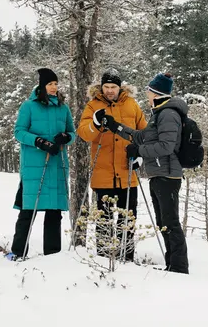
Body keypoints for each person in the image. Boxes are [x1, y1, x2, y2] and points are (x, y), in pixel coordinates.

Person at [100, 72, 190, 273]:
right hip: (159, 173)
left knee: (170, 222)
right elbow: (141, 136)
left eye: (149, 90)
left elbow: (166, 146)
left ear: (155, 92)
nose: (146, 93)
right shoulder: (159, 113)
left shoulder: (168, 114)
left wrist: (139, 151)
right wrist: (115, 127)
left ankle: (179, 267)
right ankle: (172, 264)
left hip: (168, 175)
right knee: (163, 221)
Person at [77, 69, 148, 261]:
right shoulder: (93, 106)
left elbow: (144, 133)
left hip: (128, 171)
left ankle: (127, 257)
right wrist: (96, 123)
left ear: (119, 87)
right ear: (101, 87)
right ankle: (104, 257)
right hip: (103, 173)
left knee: (128, 218)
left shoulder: (132, 105)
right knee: (104, 219)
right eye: (106, 87)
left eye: (113, 87)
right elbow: (84, 133)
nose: (109, 90)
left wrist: (140, 154)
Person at [7, 67, 75, 260]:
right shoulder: (29, 106)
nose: (54, 87)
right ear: (42, 86)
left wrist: (65, 137)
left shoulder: (63, 107)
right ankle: (18, 252)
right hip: (34, 165)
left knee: (54, 213)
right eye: (50, 84)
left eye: (55, 83)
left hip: (57, 165)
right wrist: (40, 142)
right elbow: (19, 131)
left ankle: (52, 256)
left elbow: (72, 132)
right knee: (28, 210)